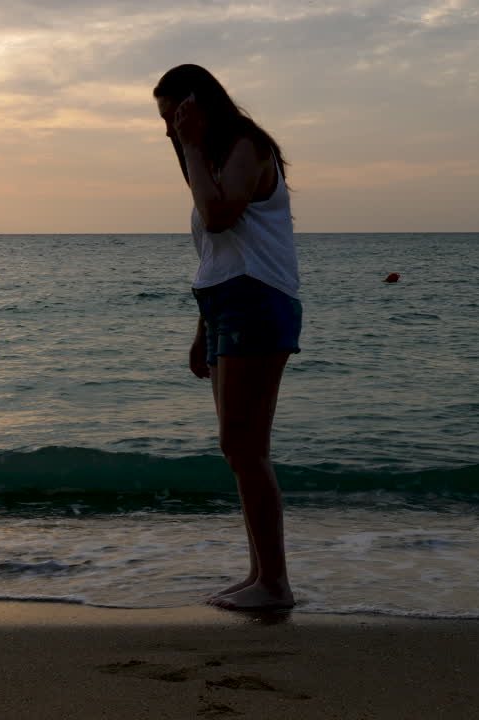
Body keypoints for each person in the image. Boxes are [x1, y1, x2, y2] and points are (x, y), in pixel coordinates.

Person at [154, 64, 302, 611]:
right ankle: (260, 573)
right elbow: (215, 255)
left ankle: (276, 583)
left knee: (245, 446)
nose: (170, 128)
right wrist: (202, 330)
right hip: (224, 303)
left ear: (202, 106)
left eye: (177, 115)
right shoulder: (212, 158)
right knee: (237, 448)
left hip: (257, 299)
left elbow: (219, 219)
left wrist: (192, 148)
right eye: (166, 120)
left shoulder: (245, 145)